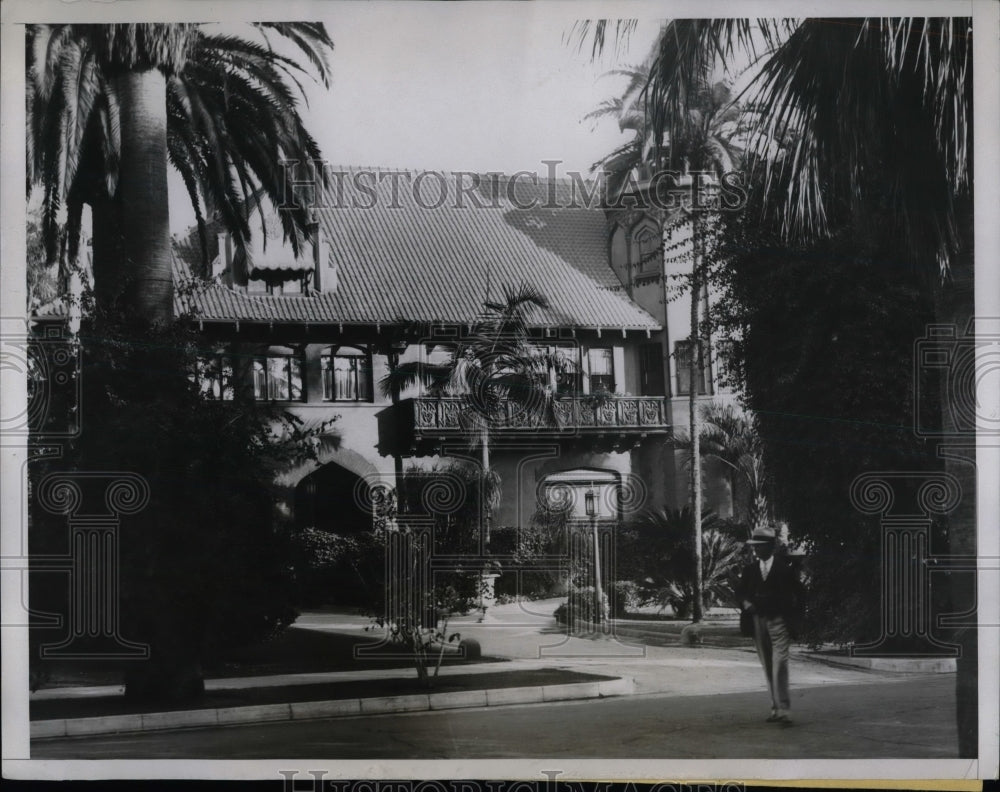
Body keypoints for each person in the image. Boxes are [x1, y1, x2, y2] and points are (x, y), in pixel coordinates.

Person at [735, 524, 805, 725]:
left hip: (779, 621)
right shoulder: (750, 570)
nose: (756, 550)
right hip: (758, 622)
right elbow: (740, 592)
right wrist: (746, 603)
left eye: (759, 546)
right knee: (767, 664)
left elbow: (800, 594)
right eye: (754, 546)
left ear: (771, 546)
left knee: (780, 662)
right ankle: (775, 708)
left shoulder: (784, 569)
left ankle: (784, 709)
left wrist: (795, 618)